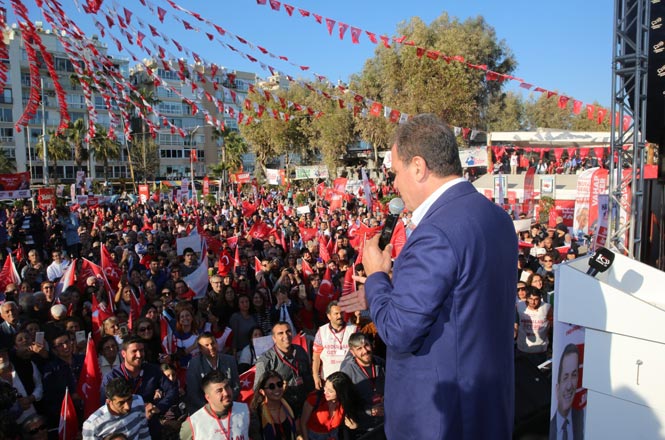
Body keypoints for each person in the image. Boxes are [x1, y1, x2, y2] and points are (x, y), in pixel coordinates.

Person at [339, 114, 517, 439]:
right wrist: (387, 292)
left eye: (396, 172)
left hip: (440, 421)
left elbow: (399, 332)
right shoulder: (498, 217)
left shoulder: (434, 233)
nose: (394, 184)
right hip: (488, 410)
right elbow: (460, 301)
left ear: (418, 167)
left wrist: (377, 277)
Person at [101, 336, 178, 438]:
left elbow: (172, 390)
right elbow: (106, 406)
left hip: (150, 425)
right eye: (134, 351)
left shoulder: (152, 370)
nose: (139, 355)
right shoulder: (111, 377)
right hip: (124, 428)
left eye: (141, 350)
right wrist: (136, 409)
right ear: (123, 354)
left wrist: (158, 407)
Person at [254, 321, 314, 416]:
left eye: (288, 331)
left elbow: (309, 378)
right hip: (282, 409)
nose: (286, 336)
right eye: (280, 333)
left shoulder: (300, 351)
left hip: (305, 405)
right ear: (274, 338)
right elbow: (258, 390)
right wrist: (278, 389)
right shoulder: (265, 360)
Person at [180, 370, 250, 440]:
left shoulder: (246, 411)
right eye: (219, 391)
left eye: (227, 387)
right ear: (208, 397)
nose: (226, 393)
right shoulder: (193, 424)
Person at [339, 333, 386, 435]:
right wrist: (369, 410)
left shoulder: (381, 363)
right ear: (352, 352)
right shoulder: (347, 371)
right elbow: (346, 403)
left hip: (384, 423)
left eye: (366, 345)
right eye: (359, 348)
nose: (365, 351)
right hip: (363, 429)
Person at [185, 332, 240, 414]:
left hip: (228, 406)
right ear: (200, 349)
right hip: (203, 409)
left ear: (217, 344)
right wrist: (211, 410)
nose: (211, 347)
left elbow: (236, 387)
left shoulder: (230, 360)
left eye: (212, 343)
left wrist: (226, 404)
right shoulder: (194, 364)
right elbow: (193, 393)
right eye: (206, 345)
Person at [82, 377, 151, 439]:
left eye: (129, 399)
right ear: (109, 401)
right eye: (121, 403)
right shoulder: (92, 425)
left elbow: (144, 433)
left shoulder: (138, 401)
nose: (127, 407)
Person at [300, 371, 361, 440]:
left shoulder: (344, 403)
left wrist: (354, 425)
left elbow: (352, 421)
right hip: (313, 437)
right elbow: (303, 423)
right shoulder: (314, 399)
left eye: (330, 391)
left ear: (340, 392)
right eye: (325, 387)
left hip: (333, 436)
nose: (325, 392)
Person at [311, 301, 356, 390]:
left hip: (349, 378)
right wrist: (316, 376)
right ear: (329, 316)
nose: (339, 316)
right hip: (328, 380)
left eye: (341, 313)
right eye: (336, 314)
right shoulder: (322, 331)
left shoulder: (353, 330)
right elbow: (316, 356)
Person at [250, 370, 301, 440]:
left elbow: (298, 431)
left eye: (279, 384)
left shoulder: (290, 405)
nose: (277, 389)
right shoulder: (257, 413)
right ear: (262, 391)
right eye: (271, 386)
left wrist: (300, 437)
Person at [549, 344, 584, 440]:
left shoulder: (582, 418)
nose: (569, 386)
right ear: (557, 387)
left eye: (574, 375)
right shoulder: (548, 425)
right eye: (565, 377)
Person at [515, 288, 552, 367]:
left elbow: (552, 326)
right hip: (522, 349)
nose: (533, 302)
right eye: (530, 299)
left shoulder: (547, 307)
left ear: (540, 298)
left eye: (536, 299)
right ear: (526, 298)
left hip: (540, 350)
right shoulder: (519, 306)